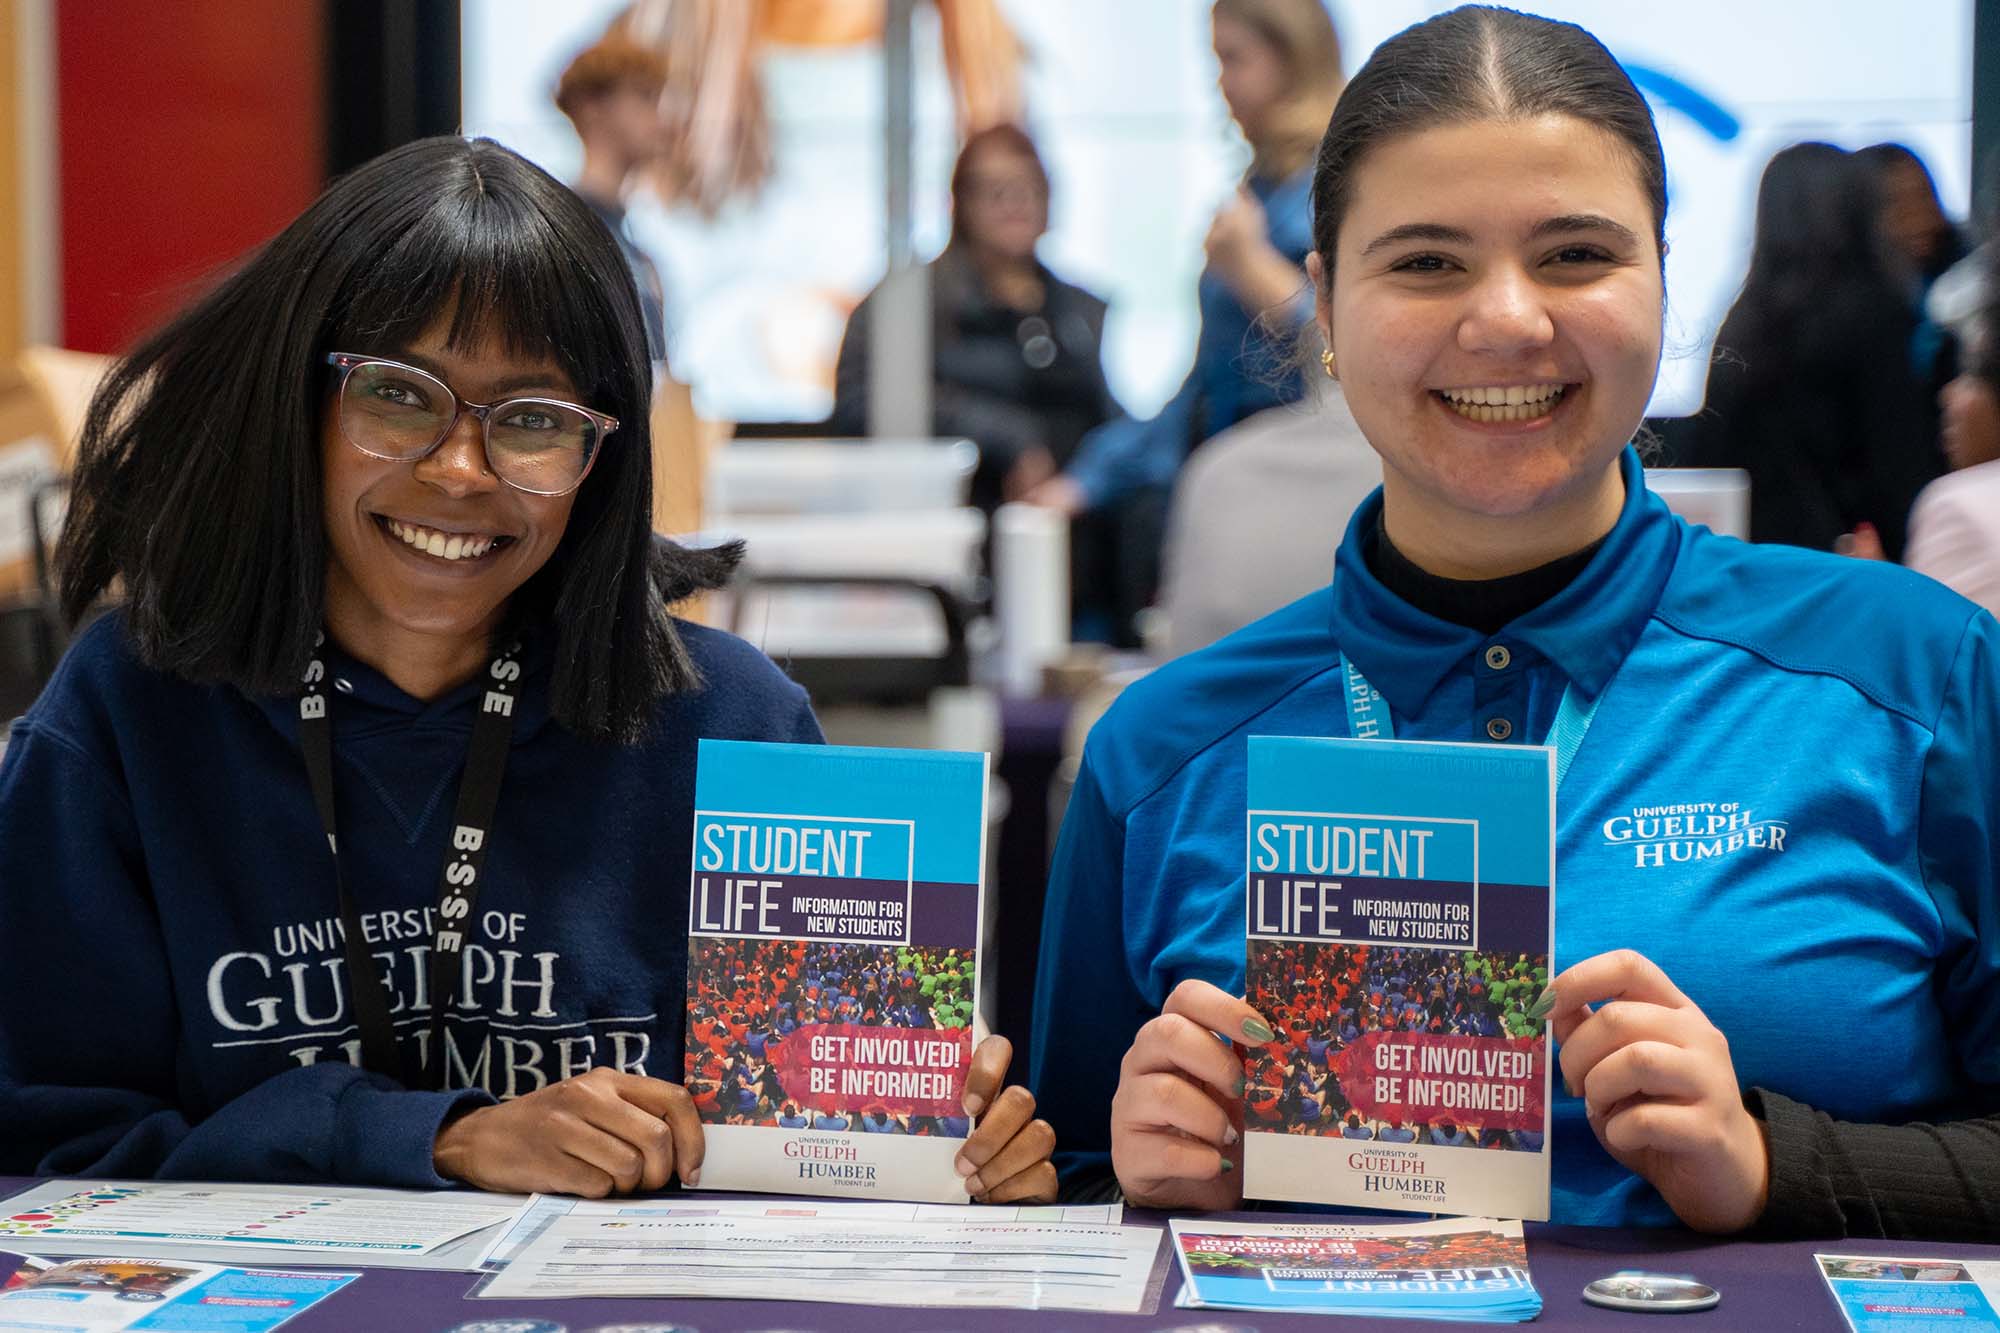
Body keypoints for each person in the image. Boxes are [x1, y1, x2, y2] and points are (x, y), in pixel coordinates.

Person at [1029, 7, 2000, 1239]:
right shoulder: (1158, 752)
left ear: (1661, 271)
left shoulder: (1913, 673)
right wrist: (1145, 1179)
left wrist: (1775, 1162)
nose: (1505, 320)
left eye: (1574, 255)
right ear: (1322, 303)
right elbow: (1062, 1194)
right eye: (1425, 262)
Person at [0, 137, 1057, 1205]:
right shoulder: (125, 715)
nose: (461, 470)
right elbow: (48, 1147)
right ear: (298, 400)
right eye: (400, 396)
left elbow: (818, 1158)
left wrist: (936, 1139)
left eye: (535, 421)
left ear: (600, 461)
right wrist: (436, 1136)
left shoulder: (730, 724)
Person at [1026, 0, 1343, 645]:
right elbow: (1202, 384)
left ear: (1294, 60)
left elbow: (1361, 352)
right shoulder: (1256, 191)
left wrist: (1252, 268)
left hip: (1311, 497)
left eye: (1235, 59)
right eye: (1214, 60)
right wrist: (1091, 477)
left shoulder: (1340, 190)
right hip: (1227, 490)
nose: (1219, 82)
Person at [829, 124, 1121, 516]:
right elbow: (861, 402)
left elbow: (1107, 418)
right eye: (996, 190)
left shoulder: (1078, 312)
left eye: (1030, 188)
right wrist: (1005, 436)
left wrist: (1090, 479)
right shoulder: (907, 303)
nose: (1015, 204)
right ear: (962, 202)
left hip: (1072, 515)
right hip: (952, 512)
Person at [1681, 143, 1942, 559]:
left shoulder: (1742, 322)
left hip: (1748, 562)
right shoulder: (1875, 312)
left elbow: (1711, 458)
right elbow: (1898, 467)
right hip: (1846, 567)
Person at [556, 30, 673, 365]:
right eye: (645, 97)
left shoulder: (637, 251)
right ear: (591, 108)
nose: (663, 119)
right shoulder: (562, 235)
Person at [1906, 260, 2000, 616]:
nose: (1950, 395)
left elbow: (1920, 664)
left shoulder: (1962, 513)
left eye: (1973, 372)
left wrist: (1885, 594)